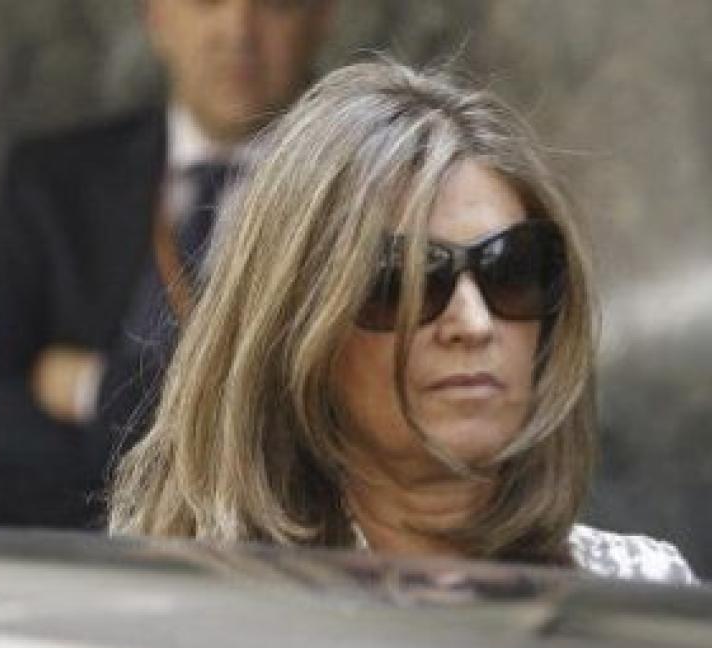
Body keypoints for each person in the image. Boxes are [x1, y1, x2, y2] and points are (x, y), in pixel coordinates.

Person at [108, 60, 696, 583]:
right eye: (402, 284)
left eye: (510, 270)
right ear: (297, 333)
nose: (473, 323)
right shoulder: (200, 606)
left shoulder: (647, 592)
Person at [0, 0, 335, 527]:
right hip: (68, 554)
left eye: (275, 5)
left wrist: (91, 389)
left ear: (322, 18)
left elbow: (315, 442)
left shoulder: (366, 199)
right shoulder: (53, 182)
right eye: (206, 1)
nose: (238, 31)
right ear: (156, 16)